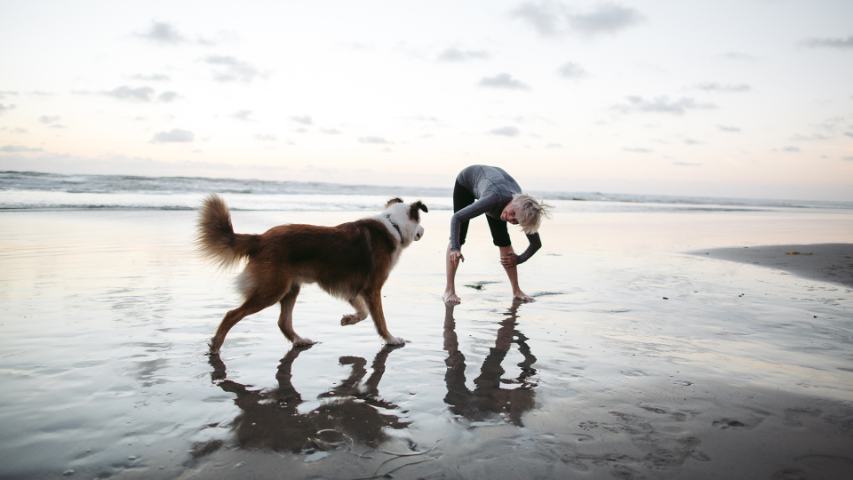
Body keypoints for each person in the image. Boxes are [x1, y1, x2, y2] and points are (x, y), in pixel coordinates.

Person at [443, 165, 549, 305]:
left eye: (515, 221)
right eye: (512, 214)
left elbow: (536, 244)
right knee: (458, 236)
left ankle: (516, 291)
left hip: (497, 189)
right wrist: (456, 248)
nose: (509, 218)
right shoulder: (494, 198)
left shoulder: (525, 210)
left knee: (503, 241)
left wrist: (518, 259)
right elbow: (456, 218)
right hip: (467, 182)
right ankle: (449, 290)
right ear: (513, 202)